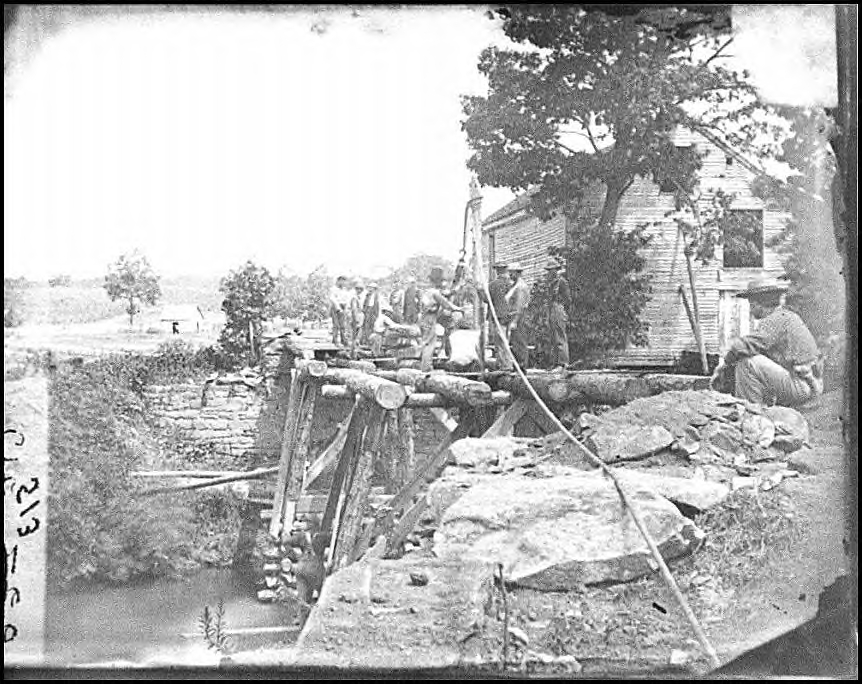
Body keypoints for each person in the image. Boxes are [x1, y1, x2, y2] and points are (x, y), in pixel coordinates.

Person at [711, 278, 823, 407]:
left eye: (751, 305)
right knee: (758, 361)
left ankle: (751, 413)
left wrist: (722, 366)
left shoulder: (775, 320)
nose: (751, 310)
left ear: (757, 304)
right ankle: (765, 409)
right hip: (806, 381)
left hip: (803, 385)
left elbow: (741, 347)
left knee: (748, 364)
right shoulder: (786, 316)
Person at [418, 267, 462, 371]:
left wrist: (454, 291)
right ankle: (426, 368)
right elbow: (446, 304)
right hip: (429, 320)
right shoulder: (435, 293)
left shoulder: (427, 292)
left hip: (424, 320)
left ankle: (425, 366)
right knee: (430, 344)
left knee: (426, 343)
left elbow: (446, 294)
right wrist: (458, 308)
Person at [484, 262, 513, 370]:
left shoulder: (493, 284)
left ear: (497, 271)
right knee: (506, 339)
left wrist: (480, 290)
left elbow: (487, 299)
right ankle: (507, 363)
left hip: (498, 315)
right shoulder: (511, 283)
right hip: (509, 315)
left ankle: (504, 364)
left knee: (500, 341)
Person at [505, 262, 531, 368]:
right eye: (509, 273)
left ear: (518, 273)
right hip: (514, 316)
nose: (510, 275)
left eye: (512, 273)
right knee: (515, 342)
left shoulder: (520, 287)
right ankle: (517, 365)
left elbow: (519, 305)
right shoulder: (514, 286)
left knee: (520, 341)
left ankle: (522, 365)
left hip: (520, 317)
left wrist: (515, 320)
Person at [546, 262, 571, 371]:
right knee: (554, 337)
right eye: (549, 270)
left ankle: (563, 363)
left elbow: (568, 299)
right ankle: (556, 363)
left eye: (552, 270)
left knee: (560, 336)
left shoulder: (562, 282)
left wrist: (562, 310)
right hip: (552, 309)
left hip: (559, 308)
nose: (549, 272)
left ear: (556, 270)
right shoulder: (551, 283)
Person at [328, 275, 350, 345]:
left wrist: (346, 308)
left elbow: (347, 299)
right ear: (338, 281)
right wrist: (338, 308)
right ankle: (335, 340)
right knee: (336, 325)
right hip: (336, 306)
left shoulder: (344, 290)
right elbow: (332, 299)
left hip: (343, 306)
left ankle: (343, 340)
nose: (343, 283)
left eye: (344, 282)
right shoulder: (333, 289)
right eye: (342, 281)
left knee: (343, 325)